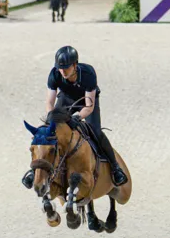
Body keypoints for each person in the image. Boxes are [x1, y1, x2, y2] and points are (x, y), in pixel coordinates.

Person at [22, 46, 128, 188]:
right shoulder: (54, 74)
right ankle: (34, 169)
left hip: (87, 102)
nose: (63, 71)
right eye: (60, 68)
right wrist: (52, 117)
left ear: (75, 65)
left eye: (66, 67)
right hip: (66, 99)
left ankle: (115, 168)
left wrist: (77, 117)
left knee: (95, 131)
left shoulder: (88, 73)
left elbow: (89, 106)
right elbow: (49, 102)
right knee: (47, 132)